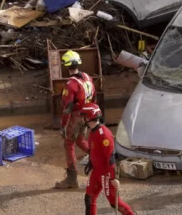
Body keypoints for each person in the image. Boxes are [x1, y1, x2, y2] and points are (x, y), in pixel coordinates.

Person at [80, 102, 135, 215]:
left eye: (84, 116)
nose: (83, 119)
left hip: (106, 174)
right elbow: (94, 151)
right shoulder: (93, 131)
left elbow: (110, 157)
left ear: (90, 117)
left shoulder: (104, 135)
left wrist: (113, 177)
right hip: (96, 172)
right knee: (89, 199)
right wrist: (91, 163)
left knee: (114, 202)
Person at [55, 50, 97, 190]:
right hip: (87, 113)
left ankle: (72, 180)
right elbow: (94, 98)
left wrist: (63, 125)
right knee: (80, 140)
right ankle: (100, 159)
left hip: (76, 116)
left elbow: (67, 108)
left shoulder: (71, 84)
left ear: (66, 66)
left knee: (68, 144)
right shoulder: (87, 77)